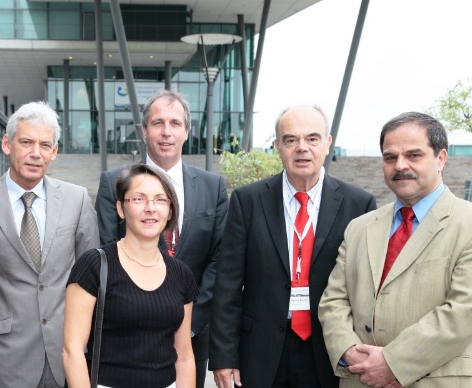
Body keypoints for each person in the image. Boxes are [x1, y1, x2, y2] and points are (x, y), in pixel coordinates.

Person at [209, 105, 377, 388]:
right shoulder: (248, 201)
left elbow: (364, 288)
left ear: (327, 143)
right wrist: (223, 356)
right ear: (277, 147)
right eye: (290, 140)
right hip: (259, 350)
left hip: (328, 350)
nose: (302, 148)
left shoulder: (358, 205)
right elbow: (227, 284)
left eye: (312, 138)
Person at [319, 112, 472, 388]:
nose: (400, 165)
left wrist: (392, 363)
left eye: (413, 155)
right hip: (360, 378)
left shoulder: (467, 223)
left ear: (441, 158)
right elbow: (333, 301)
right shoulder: (359, 228)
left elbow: (463, 311)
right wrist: (349, 351)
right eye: (390, 157)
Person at [95, 89, 228, 388]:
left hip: (191, 339)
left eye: (175, 123)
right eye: (158, 123)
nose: (166, 131)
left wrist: (190, 324)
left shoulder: (213, 188)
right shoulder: (114, 183)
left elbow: (219, 261)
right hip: (129, 337)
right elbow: (107, 253)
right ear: (144, 130)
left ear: (186, 131)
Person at [0, 101, 100, 388]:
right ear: (7, 144)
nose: (35, 153)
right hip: (6, 356)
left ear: (54, 152)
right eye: (26, 142)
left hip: (66, 352)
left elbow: (91, 274)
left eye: (45, 145)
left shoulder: (76, 199)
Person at [63, 163, 199, 388]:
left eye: (160, 200)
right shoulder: (94, 265)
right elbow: (72, 351)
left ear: (170, 210)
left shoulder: (181, 274)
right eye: (138, 199)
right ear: (120, 208)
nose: (150, 208)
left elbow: (184, 357)